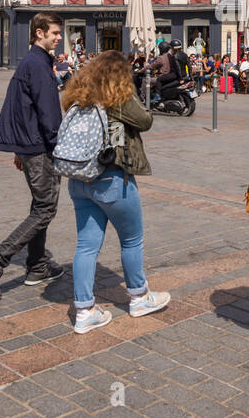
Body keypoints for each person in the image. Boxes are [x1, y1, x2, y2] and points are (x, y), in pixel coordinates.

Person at [60, 51, 170, 333]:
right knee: (131, 240)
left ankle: (84, 311)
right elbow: (145, 120)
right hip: (111, 178)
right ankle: (139, 297)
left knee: (86, 245)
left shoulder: (78, 96)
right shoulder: (117, 97)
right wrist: (130, 89)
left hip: (79, 179)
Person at [0, 12, 67, 299]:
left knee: (40, 205)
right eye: (54, 33)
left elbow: (19, 107)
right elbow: (48, 114)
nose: (59, 37)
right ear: (39, 32)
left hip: (30, 145)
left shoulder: (32, 61)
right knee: (45, 209)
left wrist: (19, 146)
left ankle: (37, 265)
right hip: (40, 147)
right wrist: (60, 149)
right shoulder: (38, 65)